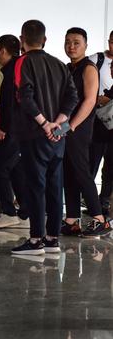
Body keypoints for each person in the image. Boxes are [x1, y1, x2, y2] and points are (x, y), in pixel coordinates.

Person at [10, 20, 80, 256]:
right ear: (45, 40)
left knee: (35, 186)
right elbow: (73, 97)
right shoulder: (59, 64)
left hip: (35, 134)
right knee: (54, 186)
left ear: (22, 40)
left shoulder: (23, 62)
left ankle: (35, 240)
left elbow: (24, 97)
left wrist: (44, 123)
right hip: (58, 135)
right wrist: (58, 123)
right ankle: (52, 239)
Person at [62, 28, 110, 238]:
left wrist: (72, 125)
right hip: (66, 127)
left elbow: (90, 101)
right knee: (69, 171)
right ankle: (72, 220)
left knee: (82, 171)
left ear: (85, 46)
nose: (71, 46)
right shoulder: (68, 68)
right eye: (68, 42)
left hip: (79, 128)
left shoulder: (88, 68)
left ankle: (99, 219)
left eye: (76, 42)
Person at [0, 35, 30, 230]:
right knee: (16, 171)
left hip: (11, 131)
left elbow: (10, 105)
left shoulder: (11, 72)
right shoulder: (18, 69)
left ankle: (8, 212)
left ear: (3, 51)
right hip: (20, 130)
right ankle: (25, 213)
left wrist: (3, 128)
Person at [90, 30, 113, 216]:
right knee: (93, 164)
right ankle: (94, 201)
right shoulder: (96, 59)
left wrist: (104, 98)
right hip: (99, 126)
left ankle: (102, 202)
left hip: (107, 128)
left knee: (109, 169)